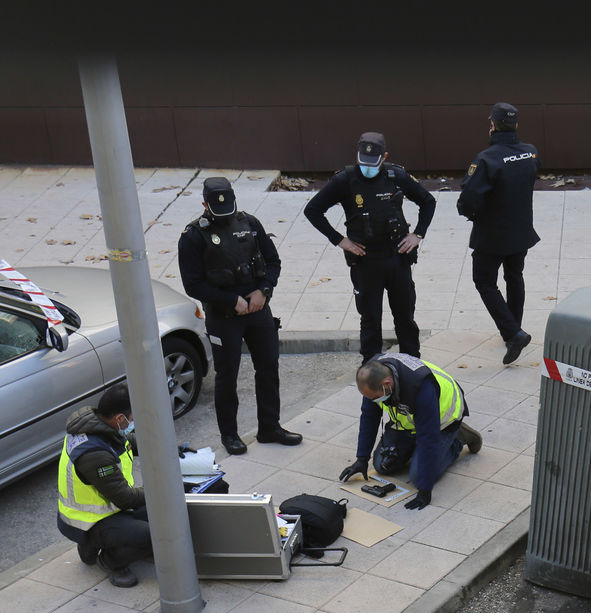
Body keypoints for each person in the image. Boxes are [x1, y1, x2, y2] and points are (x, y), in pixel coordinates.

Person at [179, 177, 302, 455]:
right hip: (224, 315)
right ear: (204, 205)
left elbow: (273, 262)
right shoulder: (193, 237)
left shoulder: (250, 224)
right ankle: (230, 434)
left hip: (257, 309)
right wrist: (230, 300)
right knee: (227, 376)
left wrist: (264, 291)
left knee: (268, 368)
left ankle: (270, 427)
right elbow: (193, 284)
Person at [304, 132, 436, 362]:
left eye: (372, 164)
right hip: (365, 260)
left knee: (404, 316)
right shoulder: (344, 180)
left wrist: (418, 234)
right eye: (363, 164)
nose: (367, 169)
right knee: (370, 318)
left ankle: (412, 363)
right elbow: (313, 210)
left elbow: (428, 201)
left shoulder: (396, 176)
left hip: (397, 256)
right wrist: (339, 240)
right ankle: (371, 368)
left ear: (384, 157)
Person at [338, 353, 483, 510]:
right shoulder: (372, 377)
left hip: (442, 422)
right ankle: (415, 447)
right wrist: (362, 458)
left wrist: (425, 490)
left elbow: (428, 437)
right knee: (381, 465)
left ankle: (458, 439)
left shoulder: (420, 387)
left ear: (387, 384)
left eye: (376, 398)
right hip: (410, 422)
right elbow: (369, 417)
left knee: (418, 476)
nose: (373, 401)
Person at [456, 102, 541, 364]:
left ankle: (513, 333)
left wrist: (473, 214)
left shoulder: (486, 159)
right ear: (516, 125)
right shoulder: (530, 153)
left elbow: (467, 201)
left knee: (484, 281)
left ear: (492, 125)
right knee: (514, 276)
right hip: (521, 230)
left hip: (492, 235)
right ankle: (514, 329)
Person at [56, 384, 150, 588]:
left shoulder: (100, 426)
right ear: (119, 418)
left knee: (163, 514)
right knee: (155, 534)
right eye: (131, 419)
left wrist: (163, 446)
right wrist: (161, 492)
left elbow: (126, 442)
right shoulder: (94, 454)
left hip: (109, 510)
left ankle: (106, 543)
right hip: (88, 523)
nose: (132, 423)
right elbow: (125, 498)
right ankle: (109, 560)